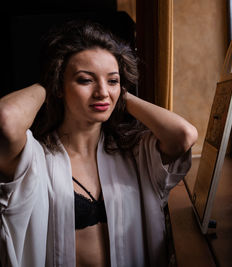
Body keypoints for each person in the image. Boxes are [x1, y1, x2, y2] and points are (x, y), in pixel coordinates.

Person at [0, 20, 197, 267]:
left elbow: (184, 135)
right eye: (85, 80)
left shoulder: (134, 155)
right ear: (59, 86)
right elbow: (5, 120)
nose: (102, 92)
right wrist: (50, 84)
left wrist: (120, 94)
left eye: (113, 81)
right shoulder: (33, 160)